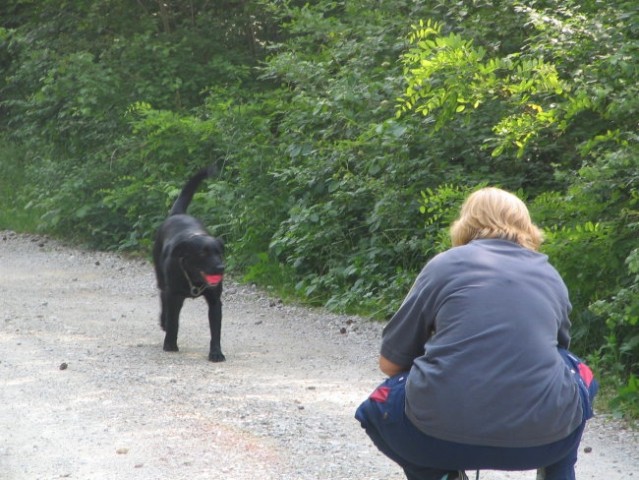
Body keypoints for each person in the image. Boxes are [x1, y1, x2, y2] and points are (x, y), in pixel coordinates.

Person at [355, 187, 598, 480]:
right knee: (580, 375)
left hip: (435, 439)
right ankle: (558, 473)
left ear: (466, 224)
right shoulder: (550, 275)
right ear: (526, 227)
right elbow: (556, 355)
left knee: (374, 409)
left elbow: (390, 364)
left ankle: (440, 476)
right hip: (545, 443)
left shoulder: (444, 265)